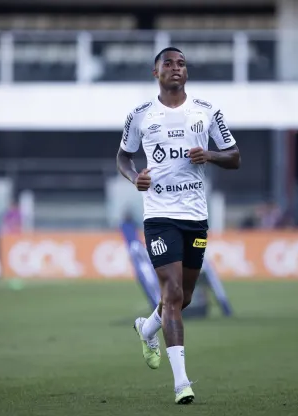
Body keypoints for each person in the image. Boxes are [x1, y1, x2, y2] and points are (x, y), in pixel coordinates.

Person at [116, 47, 241, 405]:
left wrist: (211, 156)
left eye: (181, 63)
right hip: (159, 216)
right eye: (168, 63)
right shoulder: (139, 116)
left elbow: (234, 156)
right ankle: (181, 383)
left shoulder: (207, 111)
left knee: (182, 297)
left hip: (195, 218)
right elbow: (123, 156)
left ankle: (147, 327)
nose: (175, 68)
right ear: (155, 72)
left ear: (187, 73)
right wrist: (133, 178)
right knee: (170, 292)